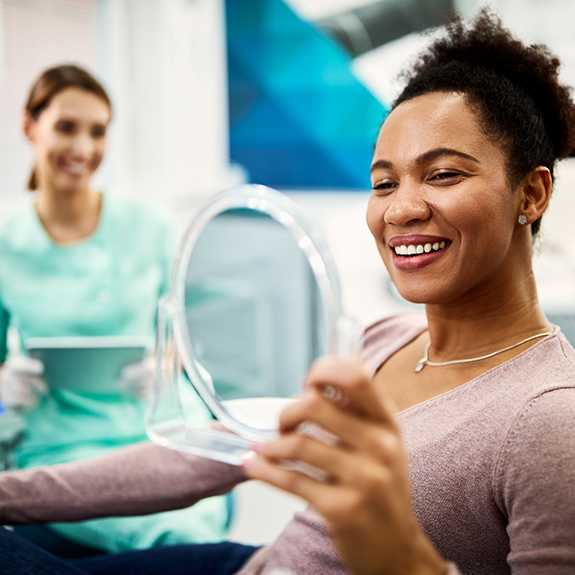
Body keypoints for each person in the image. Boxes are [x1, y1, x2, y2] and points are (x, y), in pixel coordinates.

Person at [1, 9, 575, 574]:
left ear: (532, 194)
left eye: (444, 174)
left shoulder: (550, 420)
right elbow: (204, 459)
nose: (401, 208)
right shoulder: (382, 343)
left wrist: (397, 555)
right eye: (383, 183)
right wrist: (9, 495)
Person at [0, 65, 229, 554]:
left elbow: (182, 344)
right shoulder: (4, 244)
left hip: (153, 432)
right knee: (174, 540)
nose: (83, 149)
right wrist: (5, 394)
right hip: (56, 448)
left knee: (194, 530)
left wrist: (164, 373)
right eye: (66, 127)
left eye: (98, 131)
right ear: (28, 127)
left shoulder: (148, 227)